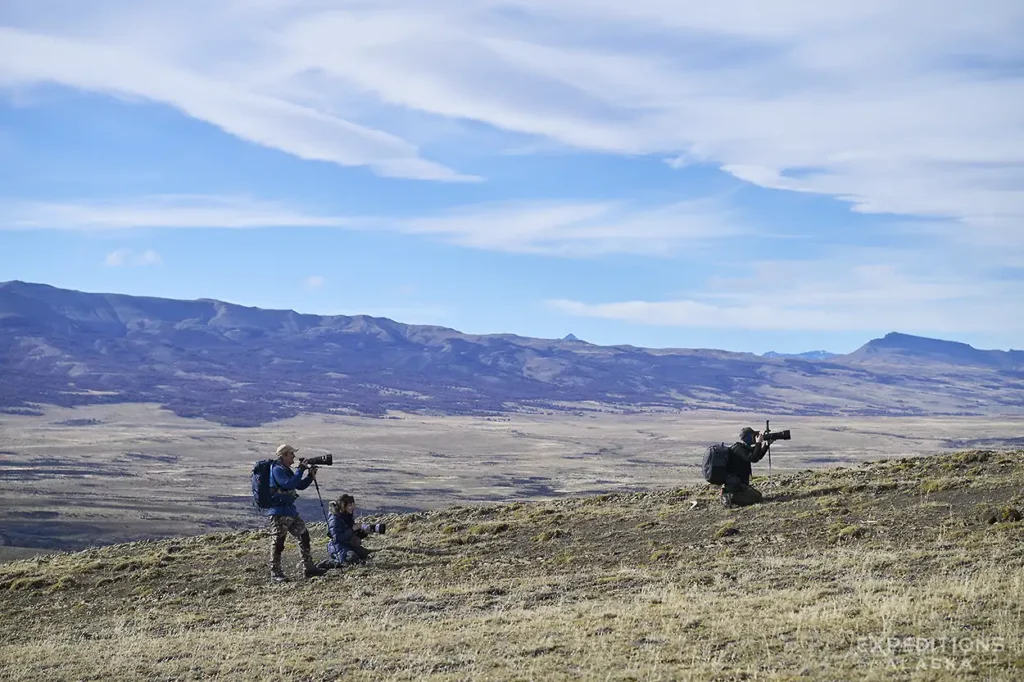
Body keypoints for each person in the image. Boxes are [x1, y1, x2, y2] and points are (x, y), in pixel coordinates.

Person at [266, 443, 327, 582]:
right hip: (279, 512)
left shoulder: (285, 469)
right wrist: (300, 469)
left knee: (304, 535)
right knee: (278, 541)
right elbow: (288, 484)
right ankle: (275, 573)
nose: (294, 456)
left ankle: (309, 567)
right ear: (284, 455)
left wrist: (310, 476)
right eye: (291, 454)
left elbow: (299, 485)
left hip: (289, 510)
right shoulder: (277, 469)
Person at [317, 494, 371, 570]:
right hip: (337, 545)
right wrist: (352, 529)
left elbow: (353, 534)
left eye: (353, 504)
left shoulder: (347, 516)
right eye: (349, 505)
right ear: (343, 506)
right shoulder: (335, 519)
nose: (352, 507)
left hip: (348, 543)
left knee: (365, 555)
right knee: (352, 559)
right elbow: (337, 538)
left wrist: (364, 532)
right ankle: (327, 563)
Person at [721, 427, 770, 508]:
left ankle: (730, 496)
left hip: (739, 483)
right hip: (735, 484)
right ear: (748, 437)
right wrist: (758, 443)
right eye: (753, 436)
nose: (754, 438)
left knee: (757, 496)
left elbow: (757, 455)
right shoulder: (739, 449)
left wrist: (766, 445)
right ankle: (729, 497)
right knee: (757, 497)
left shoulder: (743, 447)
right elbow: (753, 458)